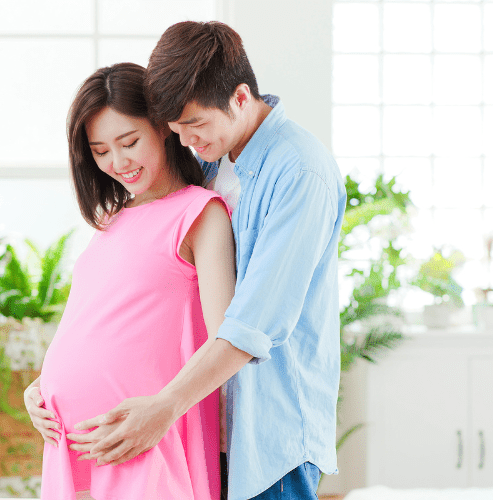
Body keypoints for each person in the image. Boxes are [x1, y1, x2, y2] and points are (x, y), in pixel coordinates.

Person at [66, 21, 348, 500]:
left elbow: (253, 323)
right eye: (175, 128)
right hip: (205, 429)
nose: (186, 139)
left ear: (240, 98)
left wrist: (164, 406)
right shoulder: (214, 161)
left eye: (195, 124)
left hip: (269, 438)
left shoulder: (300, 172)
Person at [23, 62, 236, 499]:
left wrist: (161, 410)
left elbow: (225, 339)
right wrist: (39, 389)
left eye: (129, 142)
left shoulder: (200, 214)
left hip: (145, 436)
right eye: (100, 151)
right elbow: (90, 322)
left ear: (162, 126)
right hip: (72, 443)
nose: (118, 162)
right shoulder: (113, 219)